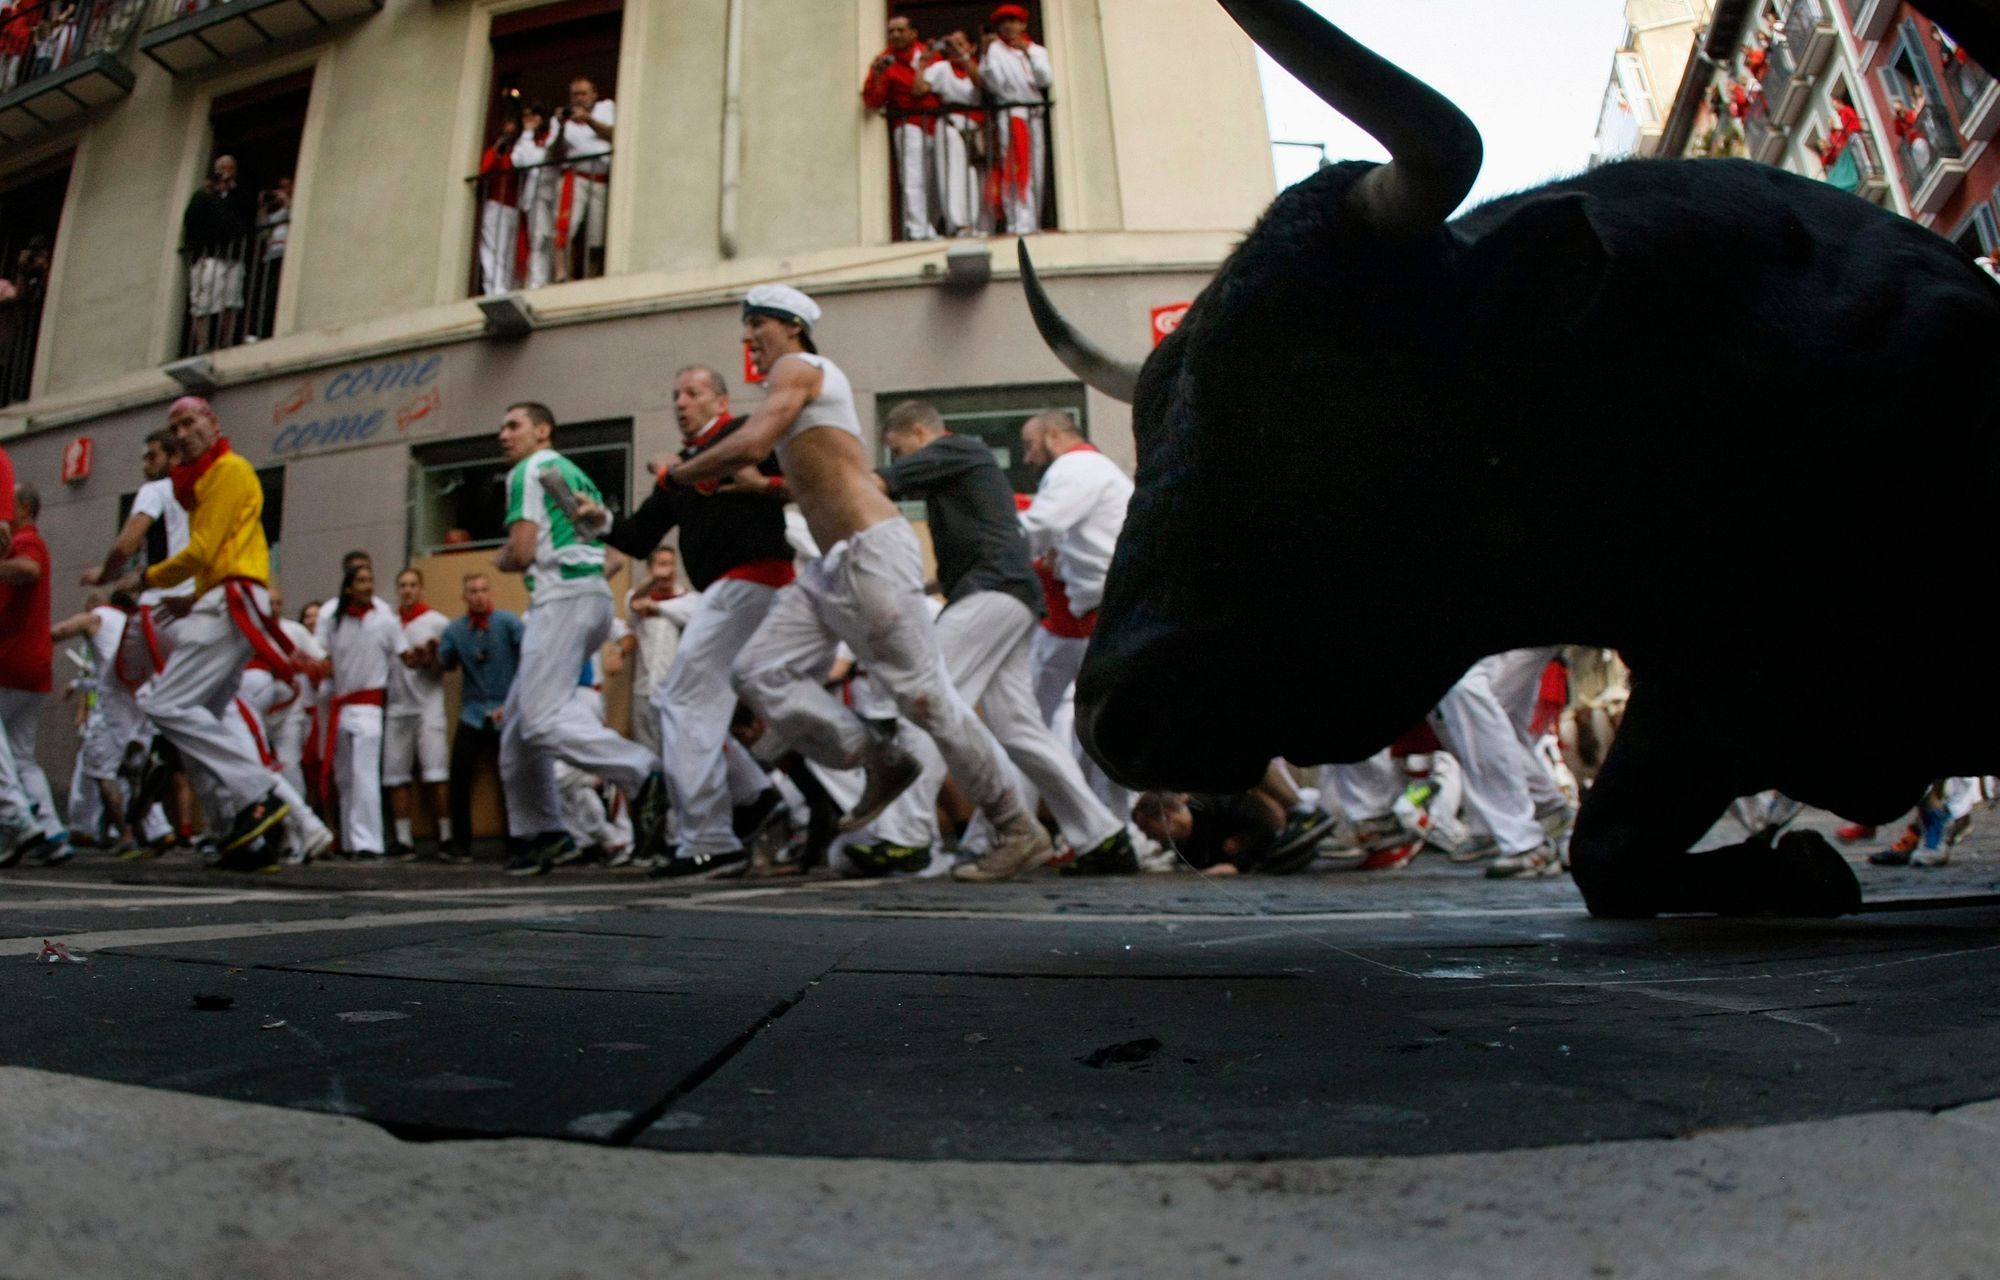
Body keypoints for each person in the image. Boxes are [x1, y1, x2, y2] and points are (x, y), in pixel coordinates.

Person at [669, 285, 1054, 879]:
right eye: (746, 329)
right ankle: (878, 758)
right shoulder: (806, 392)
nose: (750, 338)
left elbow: (750, 441)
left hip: (874, 555)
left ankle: (1016, 827)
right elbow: (816, 483)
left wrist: (681, 475)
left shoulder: (801, 367)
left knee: (927, 700)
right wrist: (758, 487)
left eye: (760, 326)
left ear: (793, 327)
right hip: (832, 568)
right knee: (758, 672)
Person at [878, 400, 1136, 875]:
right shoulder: (975, 471)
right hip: (1019, 596)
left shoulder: (965, 450)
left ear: (920, 434)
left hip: (1005, 594)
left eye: (899, 450)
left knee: (926, 700)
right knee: (1020, 728)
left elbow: (1038, 525)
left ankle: (904, 835)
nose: (1029, 456)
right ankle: (1102, 836)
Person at [580, 364, 794, 879]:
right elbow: (638, 537)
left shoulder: (741, 437)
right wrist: (601, 521)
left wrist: (690, 470)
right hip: (730, 589)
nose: (680, 402)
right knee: (700, 703)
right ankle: (752, 797)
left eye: (693, 393)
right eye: (675, 394)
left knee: (682, 699)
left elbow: (778, 477)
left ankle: (712, 837)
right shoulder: (683, 469)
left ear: (720, 401)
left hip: (753, 579)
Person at [121, 397, 333, 871]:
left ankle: (256, 797)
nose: (182, 431)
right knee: (203, 721)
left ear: (213, 424)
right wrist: (192, 598)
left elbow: (202, 551)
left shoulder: (228, 470)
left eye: (190, 421)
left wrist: (145, 578)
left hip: (231, 601)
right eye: (175, 426)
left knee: (164, 705)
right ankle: (240, 834)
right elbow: (217, 557)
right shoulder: (206, 480)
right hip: (224, 600)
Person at [492, 401, 667, 875]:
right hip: (590, 597)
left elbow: (523, 552)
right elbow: (607, 555)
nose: (504, 436)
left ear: (542, 430)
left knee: (539, 723)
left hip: (561, 601)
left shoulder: (529, 470)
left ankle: (644, 772)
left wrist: (500, 560)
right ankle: (543, 833)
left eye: (514, 426)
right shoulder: (573, 473)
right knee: (517, 732)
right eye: (502, 428)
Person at [1018, 410, 1132, 817]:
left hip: (1101, 614)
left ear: (1054, 435)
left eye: (1031, 446)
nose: (1028, 458)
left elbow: (1040, 525)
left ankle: (1113, 829)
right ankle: (1112, 829)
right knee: (1098, 732)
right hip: (1101, 614)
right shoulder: (1092, 470)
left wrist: (988, 540)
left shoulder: (1076, 466)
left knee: (1093, 730)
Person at [0, 480, 69, 862]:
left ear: (24, 507)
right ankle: (52, 830)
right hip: (33, 664)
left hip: (11, 661)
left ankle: (17, 819)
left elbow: (27, 569)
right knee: (21, 755)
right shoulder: (28, 540)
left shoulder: (26, 540)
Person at [319, 560, 406, 859]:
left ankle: (368, 843)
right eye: (362, 581)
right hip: (342, 707)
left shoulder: (384, 620)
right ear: (348, 587)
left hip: (369, 708)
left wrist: (423, 654)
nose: (368, 585)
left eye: (370, 580)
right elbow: (324, 657)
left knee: (364, 775)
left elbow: (405, 655)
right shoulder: (333, 621)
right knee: (345, 778)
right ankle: (348, 840)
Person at [434, 572, 521, 864]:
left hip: (505, 710)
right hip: (472, 713)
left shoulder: (508, 623)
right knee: (459, 774)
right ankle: (461, 843)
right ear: (465, 597)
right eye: (473, 591)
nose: (479, 596)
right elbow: (443, 663)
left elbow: (530, 658)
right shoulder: (456, 629)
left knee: (511, 776)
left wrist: (515, 703)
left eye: (483, 590)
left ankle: (517, 841)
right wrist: (428, 654)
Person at [381, 568, 451, 857]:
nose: (407, 590)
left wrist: (431, 658)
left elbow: (447, 664)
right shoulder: (388, 623)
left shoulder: (437, 622)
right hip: (397, 707)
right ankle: (402, 839)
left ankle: (446, 837)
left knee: (436, 772)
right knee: (395, 775)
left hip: (428, 706)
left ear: (421, 588)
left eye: (412, 585)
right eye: (402, 585)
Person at [864, 13, 938, 241]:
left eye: (900, 30)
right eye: (891, 31)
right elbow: (872, 100)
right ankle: (917, 229)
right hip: (909, 126)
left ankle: (932, 225)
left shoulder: (928, 54)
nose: (895, 35)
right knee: (913, 178)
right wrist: (877, 75)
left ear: (913, 33)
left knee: (934, 179)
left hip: (936, 124)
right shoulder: (885, 61)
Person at [980, 4, 1052, 235]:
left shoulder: (1038, 51)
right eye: (1004, 22)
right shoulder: (995, 51)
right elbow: (994, 83)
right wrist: (985, 52)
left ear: (1023, 24)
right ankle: (1017, 221)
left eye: (1013, 21)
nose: (1009, 26)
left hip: (1033, 115)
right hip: (1011, 115)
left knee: (1034, 168)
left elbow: (1044, 80)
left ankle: (1032, 219)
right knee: (1014, 166)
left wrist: (1028, 54)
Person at [624, 544, 697, 760]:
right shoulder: (638, 597)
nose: (669, 570)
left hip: (676, 692)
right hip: (644, 689)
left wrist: (658, 607)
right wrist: (652, 581)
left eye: (672, 564)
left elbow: (690, 613)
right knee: (646, 753)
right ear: (650, 569)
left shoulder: (688, 600)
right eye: (663, 564)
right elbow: (633, 604)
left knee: (675, 753)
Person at [182, 155, 251, 354]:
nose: (227, 172)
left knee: (231, 300)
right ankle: (202, 344)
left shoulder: (238, 196)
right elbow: (191, 219)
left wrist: (233, 190)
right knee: (203, 303)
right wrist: (209, 189)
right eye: (223, 168)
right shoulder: (203, 195)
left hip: (233, 257)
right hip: (209, 256)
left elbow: (246, 216)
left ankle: (226, 341)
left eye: (230, 168)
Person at [924, 29, 988, 236]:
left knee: (973, 176)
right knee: (952, 173)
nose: (955, 48)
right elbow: (919, 88)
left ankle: (973, 223)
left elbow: (981, 84)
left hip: (973, 128)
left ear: (971, 47)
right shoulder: (941, 68)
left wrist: (964, 57)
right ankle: (957, 223)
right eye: (952, 44)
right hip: (951, 124)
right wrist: (923, 61)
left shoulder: (979, 66)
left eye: (961, 43)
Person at [556, 77, 614, 281]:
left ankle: (591, 276)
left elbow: (615, 134)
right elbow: (555, 154)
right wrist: (561, 126)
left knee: (596, 236)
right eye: (575, 95)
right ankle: (561, 272)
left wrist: (588, 120)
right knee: (567, 226)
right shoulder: (564, 117)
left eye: (583, 93)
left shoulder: (606, 108)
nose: (579, 98)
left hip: (600, 179)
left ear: (594, 94)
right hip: (576, 177)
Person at [510, 102, 563, 290]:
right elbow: (518, 161)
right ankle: (538, 281)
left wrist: (558, 123)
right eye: (526, 117)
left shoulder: (552, 135)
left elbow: (545, 157)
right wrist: (526, 133)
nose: (530, 120)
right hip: (535, 196)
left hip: (553, 193)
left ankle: (546, 279)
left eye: (534, 116)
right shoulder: (528, 140)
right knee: (539, 238)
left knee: (552, 237)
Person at [477, 113, 523, 296]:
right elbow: (484, 172)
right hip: (496, 204)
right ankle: (494, 287)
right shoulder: (493, 150)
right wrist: (496, 153)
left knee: (508, 250)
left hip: (512, 207)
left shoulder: (517, 153)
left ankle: (506, 286)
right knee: (494, 247)